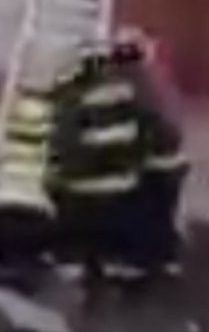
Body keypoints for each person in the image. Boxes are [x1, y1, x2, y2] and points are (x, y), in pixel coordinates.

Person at [48, 40, 149, 288]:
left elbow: (64, 144)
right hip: (119, 186)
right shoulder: (126, 93)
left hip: (79, 189)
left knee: (75, 245)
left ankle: (75, 265)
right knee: (113, 240)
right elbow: (140, 135)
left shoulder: (69, 95)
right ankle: (113, 265)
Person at [111, 34, 189, 279]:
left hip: (153, 161)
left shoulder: (130, 86)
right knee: (162, 213)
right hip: (174, 160)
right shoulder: (158, 78)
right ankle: (166, 259)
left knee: (140, 211)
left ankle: (138, 262)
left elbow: (134, 127)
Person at [0, 93, 57, 291]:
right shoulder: (49, 150)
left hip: (0, 219)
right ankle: (42, 253)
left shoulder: (0, 149)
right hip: (38, 222)